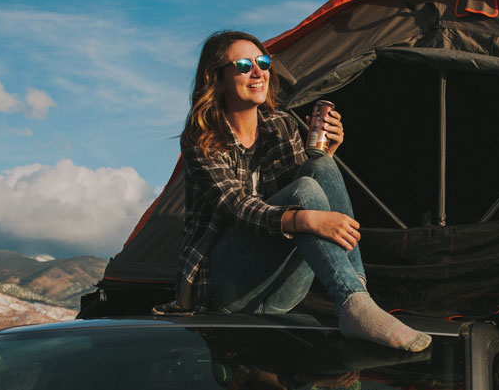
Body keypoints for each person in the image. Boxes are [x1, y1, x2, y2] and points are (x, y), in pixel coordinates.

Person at [165, 30, 430, 353]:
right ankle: (354, 304)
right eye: (244, 65)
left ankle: (356, 297)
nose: (258, 72)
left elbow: (309, 188)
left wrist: (327, 153)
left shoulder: (280, 125)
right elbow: (237, 208)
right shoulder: (201, 138)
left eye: (263, 62)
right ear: (217, 79)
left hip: (280, 290)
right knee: (305, 190)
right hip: (226, 289)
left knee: (320, 167)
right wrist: (304, 221)